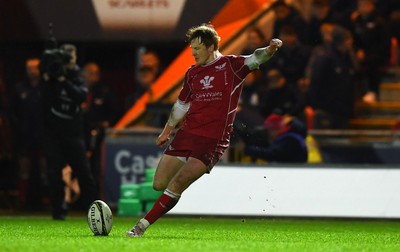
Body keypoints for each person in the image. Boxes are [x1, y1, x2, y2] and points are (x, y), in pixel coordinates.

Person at [126, 23, 282, 237]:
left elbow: (255, 58)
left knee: (178, 182)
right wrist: (167, 131)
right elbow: (181, 105)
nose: (193, 53)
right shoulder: (192, 73)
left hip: (213, 139)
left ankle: (141, 226)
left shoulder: (231, 66)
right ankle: (150, 217)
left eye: (197, 49)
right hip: (187, 133)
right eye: (191, 49)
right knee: (158, 183)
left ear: (210, 47)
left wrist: (270, 50)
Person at [40, 44, 97, 220]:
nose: (67, 62)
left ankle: (94, 210)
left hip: (74, 134)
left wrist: (64, 80)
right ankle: (58, 211)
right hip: (54, 134)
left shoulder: (78, 77)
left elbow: (80, 96)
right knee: (54, 173)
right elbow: (45, 98)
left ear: (75, 59)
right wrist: (51, 75)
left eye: (69, 58)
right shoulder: (51, 76)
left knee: (84, 174)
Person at [10, 57, 47, 210]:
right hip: (24, 137)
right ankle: (22, 200)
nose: (33, 70)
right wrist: (20, 130)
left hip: (43, 136)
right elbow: (13, 112)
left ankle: (47, 200)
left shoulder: (46, 88)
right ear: (26, 70)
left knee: (45, 169)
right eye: (30, 68)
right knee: (24, 170)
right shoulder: (19, 88)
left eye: (36, 67)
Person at [308, 25, 358, 129]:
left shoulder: (348, 59)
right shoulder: (326, 58)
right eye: (348, 39)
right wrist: (316, 105)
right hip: (327, 109)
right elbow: (316, 82)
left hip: (342, 109)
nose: (351, 42)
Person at [81, 62, 118, 193]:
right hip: (81, 135)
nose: (93, 76)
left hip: (99, 136)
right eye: (90, 72)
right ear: (82, 74)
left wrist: (107, 123)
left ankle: (97, 196)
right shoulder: (78, 90)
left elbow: (114, 113)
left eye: (96, 73)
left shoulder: (105, 91)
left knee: (97, 168)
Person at [244, 113, 308, 163]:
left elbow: (272, 153)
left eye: (270, 130)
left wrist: (247, 149)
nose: (269, 134)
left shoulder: (290, 140)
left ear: (277, 129)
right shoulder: (289, 138)